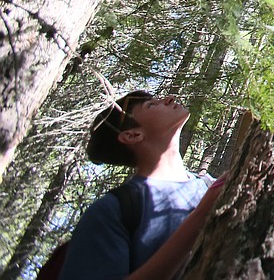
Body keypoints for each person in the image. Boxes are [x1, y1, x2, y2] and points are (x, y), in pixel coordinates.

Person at [59, 91, 224, 280]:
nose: (169, 98)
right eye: (151, 105)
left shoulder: (207, 185)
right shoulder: (112, 211)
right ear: (132, 135)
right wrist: (200, 217)